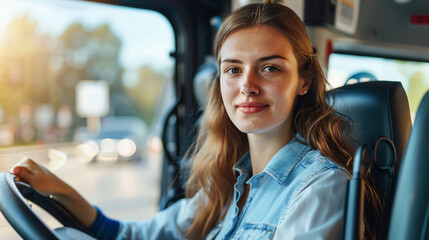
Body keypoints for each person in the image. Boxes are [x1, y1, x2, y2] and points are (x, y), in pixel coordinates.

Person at [13, 3, 374, 239]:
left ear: (304, 81)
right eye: (233, 69)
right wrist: (58, 190)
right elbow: (129, 236)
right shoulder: (226, 184)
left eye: (269, 68)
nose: (247, 86)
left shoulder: (321, 188)